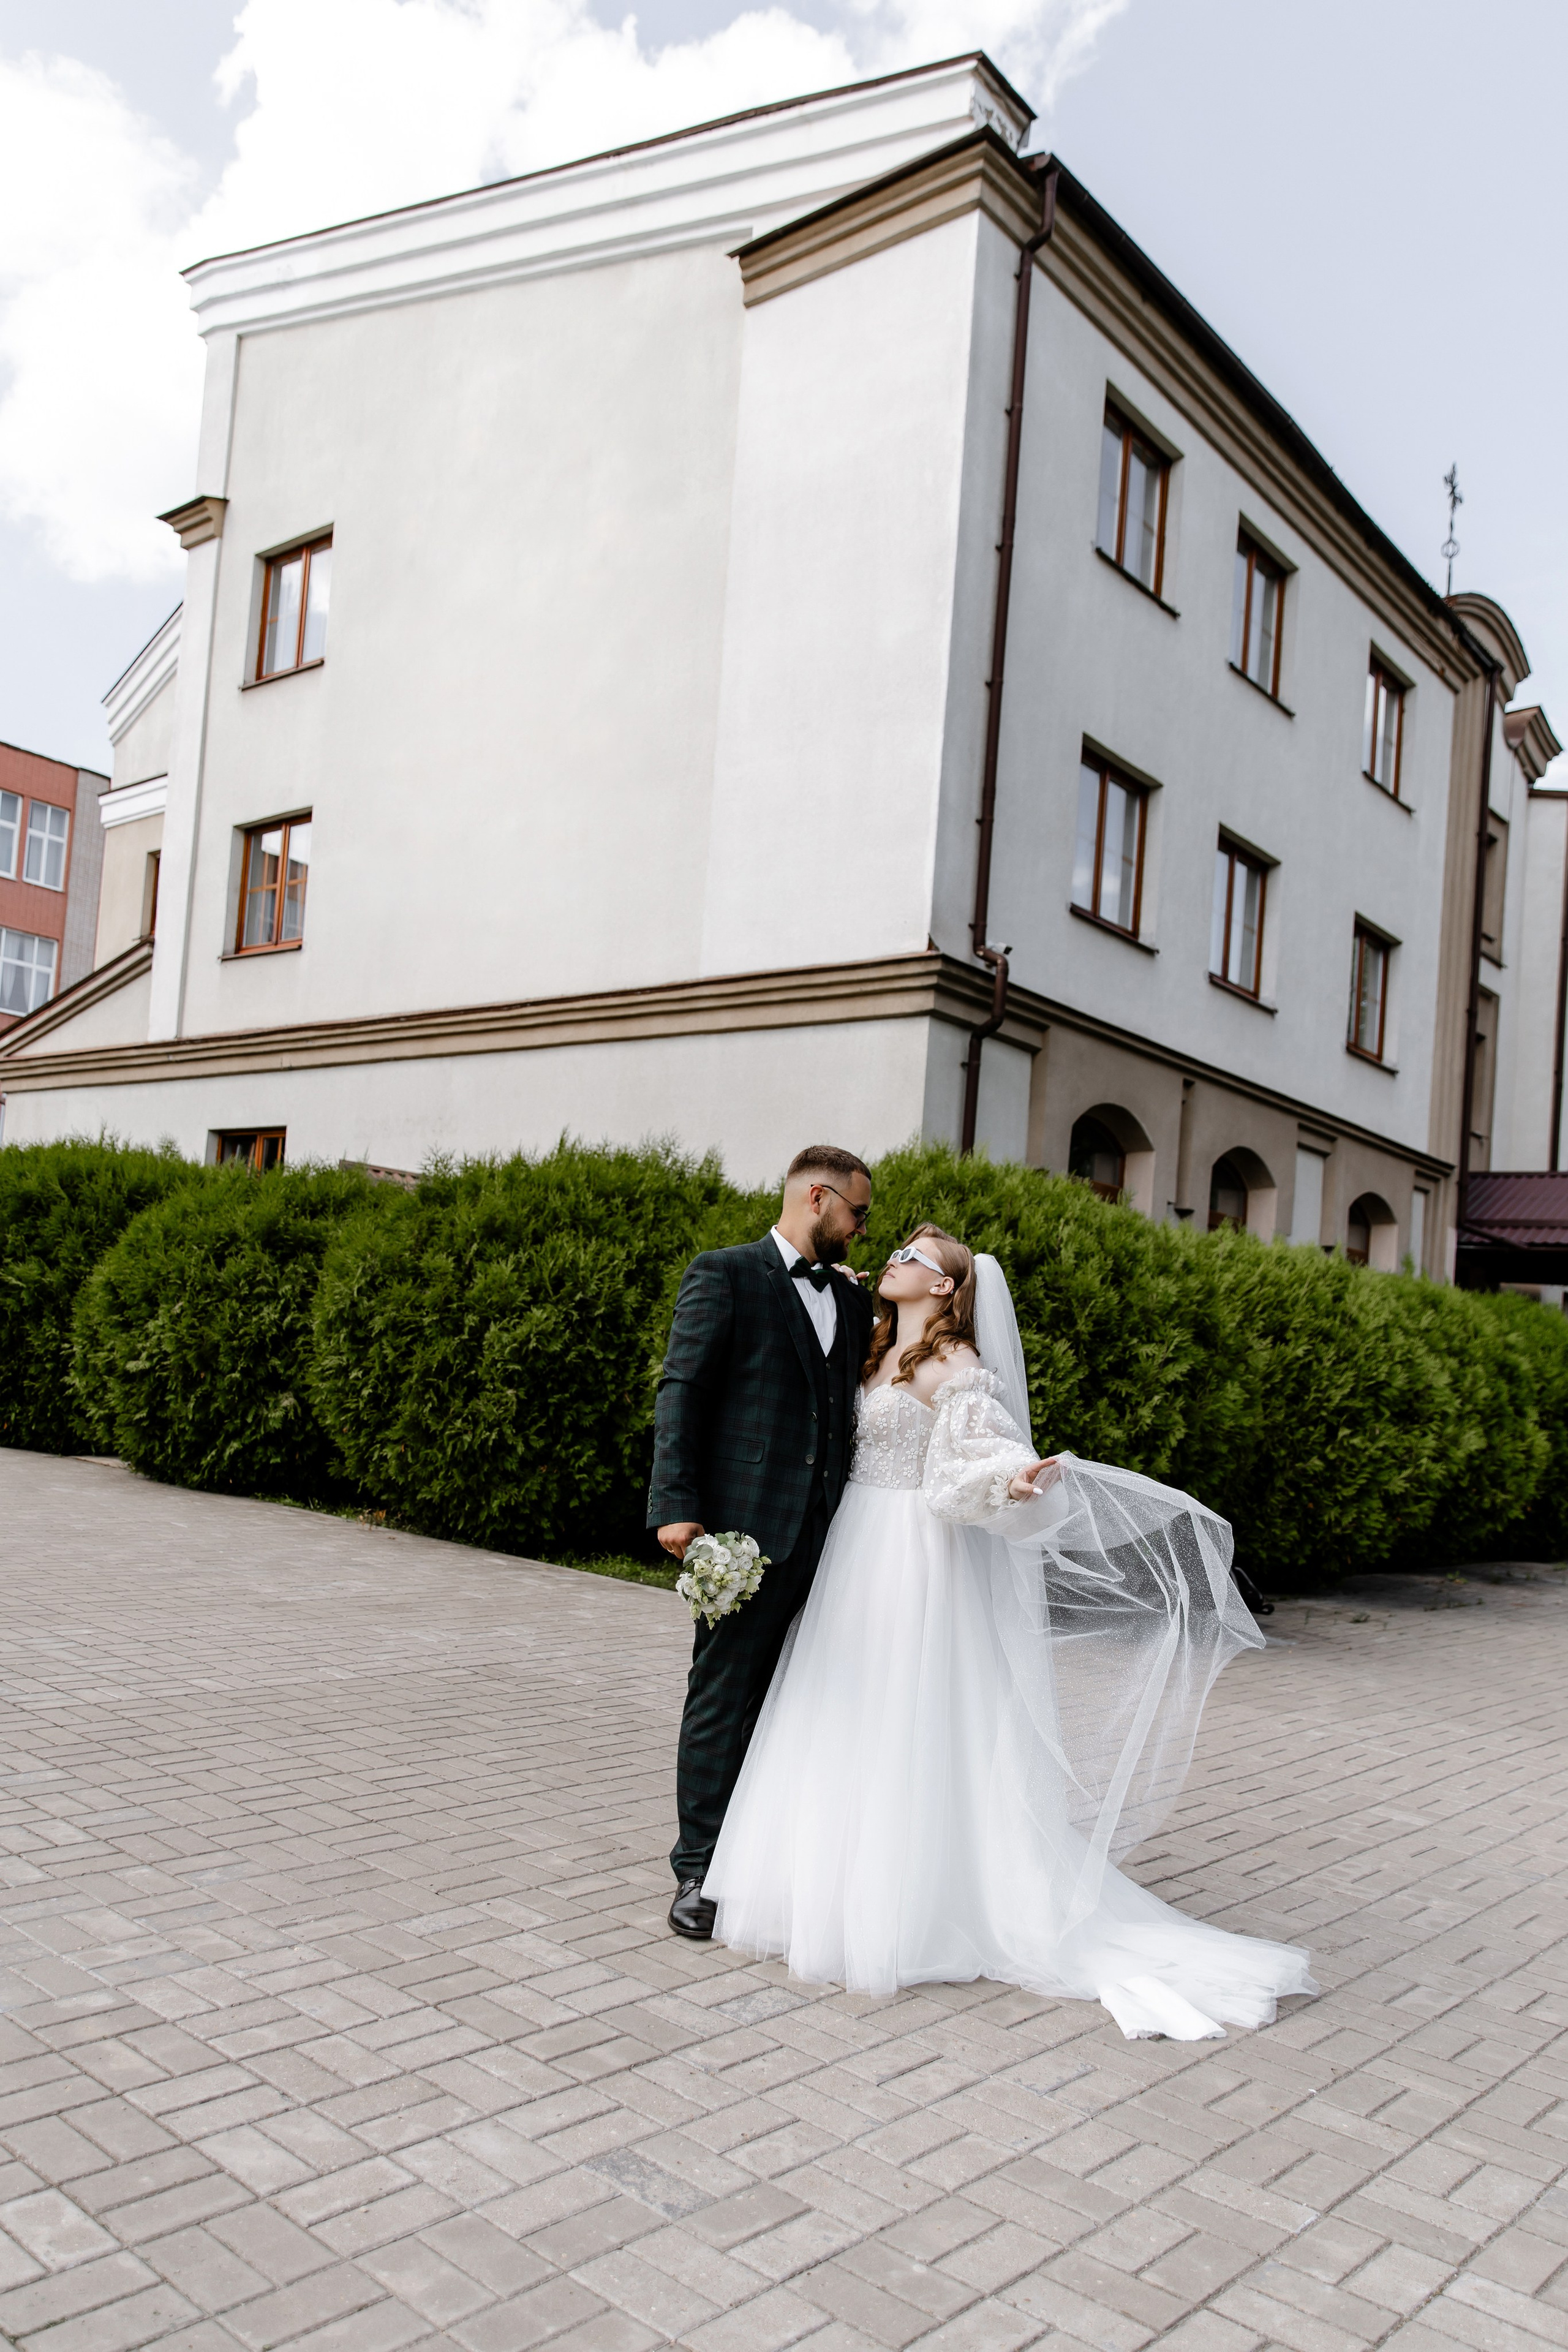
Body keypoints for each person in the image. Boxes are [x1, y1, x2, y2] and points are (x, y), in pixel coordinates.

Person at [700, 1223, 1317, 2040]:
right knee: (839, 1706)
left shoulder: (959, 1368)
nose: (896, 1262)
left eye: (915, 1259)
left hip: (912, 1557)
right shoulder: (877, 1344)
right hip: (855, 1546)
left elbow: (964, 1470)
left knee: (903, 1717)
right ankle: (814, 1886)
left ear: (949, 1288)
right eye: (897, 1252)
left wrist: (1012, 1479)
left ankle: (905, 1907)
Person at [649, 1144, 876, 1940]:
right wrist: (677, 1507)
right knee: (723, 1699)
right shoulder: (726, 1273)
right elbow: (684, 1389)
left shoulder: (850, 1303)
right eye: (857, 1212)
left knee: (805, 1704)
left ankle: (780, 1860)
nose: (861, 1229)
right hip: (745, 1529)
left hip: (830, 1540)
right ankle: (699, 1870)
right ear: (817, 1198)